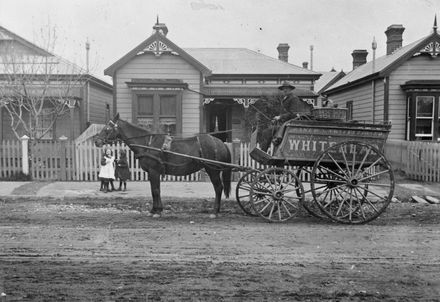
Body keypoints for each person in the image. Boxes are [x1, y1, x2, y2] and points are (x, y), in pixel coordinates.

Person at [272, 81, 314, 145]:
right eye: (283, 88)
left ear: (290, 89)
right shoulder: (285, 98)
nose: (285, 90)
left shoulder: (294, 98)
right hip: (284, 119)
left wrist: (280, 117)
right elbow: (284, 111)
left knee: (280, 127)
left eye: (287, 88)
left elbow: (293, 113)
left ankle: (278, 139)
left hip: (292, 119)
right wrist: (278, 117)